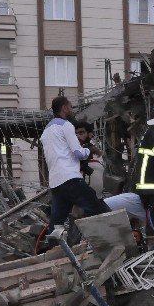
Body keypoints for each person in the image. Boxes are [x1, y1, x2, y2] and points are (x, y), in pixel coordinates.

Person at [40, 96, 109, 241]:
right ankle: (116, 239)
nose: (72, 110)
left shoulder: (46, 132)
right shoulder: (66, 125)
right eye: (70, 107)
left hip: (56, 182)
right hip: (70, 178)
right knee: (98, 208)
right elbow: (78, 153)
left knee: (57, 224)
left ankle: (52, 253)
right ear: (64, 108)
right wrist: (90, 151)